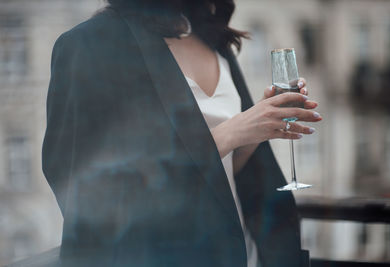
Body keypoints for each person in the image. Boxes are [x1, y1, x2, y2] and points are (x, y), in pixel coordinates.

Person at [42, 1, 322, 266]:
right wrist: (226, 135)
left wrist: (255, 131)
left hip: (247, 256)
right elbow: (87, 198)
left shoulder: (211, 37)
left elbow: (223, 175)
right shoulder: (87, 45)